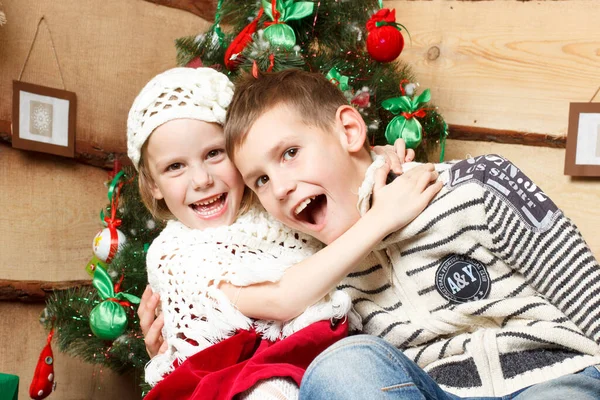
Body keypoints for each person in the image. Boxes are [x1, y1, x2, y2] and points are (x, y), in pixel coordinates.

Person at [224, 68, 600, 399]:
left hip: (552, 377)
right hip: (433, 390)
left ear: (349, 131)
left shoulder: (474, 186)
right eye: (260, 180)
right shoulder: (314, 271)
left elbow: (581, 285)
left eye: (290, 153)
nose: (280, 188)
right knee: (340, 366)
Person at [127, 67, 441, 399]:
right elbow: (282, 298)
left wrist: (379, 158)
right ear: (152, 185)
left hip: (328, 366)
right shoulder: (177, 255)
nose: (202, 179)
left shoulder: (273, 207)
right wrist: (381, 218)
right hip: (241, 382)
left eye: (214, 154)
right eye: (175, 166)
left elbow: (334, 172)